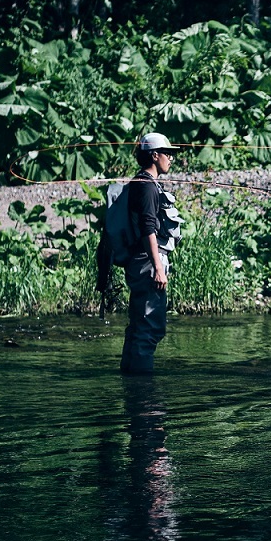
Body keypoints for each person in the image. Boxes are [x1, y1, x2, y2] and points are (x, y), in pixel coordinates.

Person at [120, 133, 185, 374]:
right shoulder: (146, 186)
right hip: (148, 262)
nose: (171, 158)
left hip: (142, 261)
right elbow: (148, 227)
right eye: (167, 153)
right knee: (149, 328)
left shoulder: (143, 183)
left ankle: (130, 381)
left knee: (138, 327)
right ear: (154, 155)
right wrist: (158, 267)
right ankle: (143, 392)